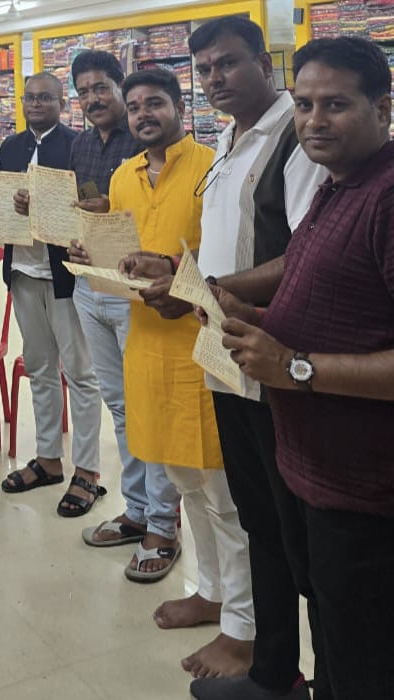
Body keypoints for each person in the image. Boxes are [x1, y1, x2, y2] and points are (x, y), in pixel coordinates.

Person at [216, 36, 394, 700]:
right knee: (334, 634)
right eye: (305, 104)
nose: (314, 120)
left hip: (364, 490)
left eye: (336, 104)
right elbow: (308, 275)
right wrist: (242, 307)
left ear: (383, 108)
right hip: (313, 471)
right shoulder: (338, 185)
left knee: (363, 655)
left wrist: (294, 367)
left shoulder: (387, 196)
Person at [171, 16, 323, 700]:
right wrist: (183, 279)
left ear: (265, 63)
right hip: (226, 349)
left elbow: (307, 255)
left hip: (273, 357)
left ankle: (314, 672)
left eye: (228, 63)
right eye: (204, 70)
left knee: (296, 527)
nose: (215, 79)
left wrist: (215, 286)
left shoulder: (296, 136)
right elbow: (227, 241)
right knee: (258, 513)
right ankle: (273, 670)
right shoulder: (230, 140)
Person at [100, 68, 253, 675]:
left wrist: (177, 280)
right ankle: (210, 592)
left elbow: (226, 261)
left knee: (224, 495)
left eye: (155, 103)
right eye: (135, 106)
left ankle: (243, 623)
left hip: (201, 348)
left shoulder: (212, 169)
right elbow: (124, 258)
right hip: (146, 347)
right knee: (185, 483)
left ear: (179, 107)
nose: (143, 114)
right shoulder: (123, 176)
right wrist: (96, 256)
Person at [16, 52, 174, 531]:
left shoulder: (144, 140)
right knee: (120, 403)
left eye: (101, 88)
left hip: (136, 290)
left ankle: (163, 517)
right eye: (84, 91)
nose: (92, 99)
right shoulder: (82, 145)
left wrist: (112, 209)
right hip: (89, 284)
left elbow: (157, 213)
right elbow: (80, 212)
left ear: (120, 87)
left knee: (146, 401)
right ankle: (137, 508)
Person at [0, 72, 104, 516]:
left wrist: (48, 204)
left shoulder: (78, 146)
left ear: (63, 103)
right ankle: (48, 459)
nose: (36, 104)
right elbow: (0, 202)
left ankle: (88, 470)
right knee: (40, 367)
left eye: (45, 98)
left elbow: (92, 206)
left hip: (65, 276)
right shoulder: (9, 147)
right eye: (30, 97)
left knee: (80, 372)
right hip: (23, 271)